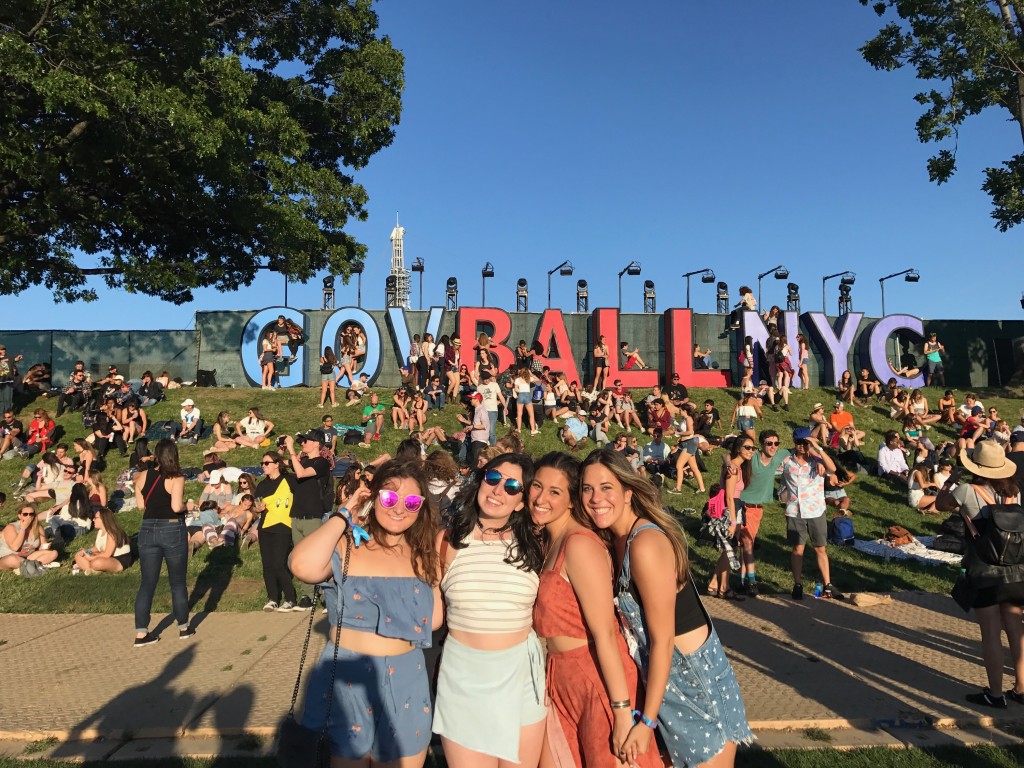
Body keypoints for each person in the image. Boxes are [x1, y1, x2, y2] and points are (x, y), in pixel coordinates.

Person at [580, 449, 753, 767]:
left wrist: (646, 724)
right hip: (666, 692)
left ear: (628, 492)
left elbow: (663, 640)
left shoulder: (645, 544)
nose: (595, 498)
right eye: (587, 489)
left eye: (606, 487)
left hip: (698, 692)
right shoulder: (615, 540)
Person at [288, 460, 440, 766]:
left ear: (421, 506)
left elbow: (434, 619)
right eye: (388, 498)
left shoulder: (424, 554)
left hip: (407, 680)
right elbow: (301, 565)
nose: (399, 508)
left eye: (411, 502)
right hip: (347, 678)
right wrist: (345, 512)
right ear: (372, 497)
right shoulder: (348, 543)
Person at [528, 451, 660, 767]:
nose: (540, 498)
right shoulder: (550, 541)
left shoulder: (579, 545)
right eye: (536, 486)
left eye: (555, 492)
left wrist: (621, 712)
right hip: (561, 679)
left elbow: (605, 634)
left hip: (596, 680)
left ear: (572, 500)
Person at [434, 454, 546, 768]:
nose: (499, 490)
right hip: (463, 679)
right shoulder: (446, 542)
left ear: (522, 502)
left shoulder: (537, 545)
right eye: (493, 479)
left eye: (512, 486)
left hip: (522, 675)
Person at [935, 440, 1023, 709]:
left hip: (984, 571)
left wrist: (950, 481)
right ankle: (1021, 688)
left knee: (991, 634)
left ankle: (994, 695)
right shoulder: (1014, 493)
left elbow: (940, 505)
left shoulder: (966, 491)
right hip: (1017, 572)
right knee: (1017, 631)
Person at [132, 438, 193, 646]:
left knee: (147, 582)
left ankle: (141, 633)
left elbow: (141, 506)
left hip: (148, 528)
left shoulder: (142, 476)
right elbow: (176, 506)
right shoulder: (177, 477)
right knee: (177, 581)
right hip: (172, 527)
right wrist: (189, 505)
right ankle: (183, 627)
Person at [780, 428, 838, 600]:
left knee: (821, 548)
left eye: (805, 443)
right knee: (798, 549)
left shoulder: (818, 461)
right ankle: (797, 584)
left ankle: (827, 584)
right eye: (799, 443)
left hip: (815, 509)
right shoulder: (787, 461)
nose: (802, 447)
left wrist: (817, 449)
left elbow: (833, 469)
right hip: (795, 510)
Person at [284, 431, 331, 609]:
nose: (302, 443)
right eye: (301, 441)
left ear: (317, 444)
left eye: (306, 440)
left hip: (313, 516)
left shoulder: (321, 463)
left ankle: (326, 595)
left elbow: (302, 474)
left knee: (317, 557)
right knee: (301, 558)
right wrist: (283, 450)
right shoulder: (301, 461)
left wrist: (290, 449)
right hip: (297, 516)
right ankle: (307, 595)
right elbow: (285, 468)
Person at [253, 451, 298, 612]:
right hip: (265, 527)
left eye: (267, 463)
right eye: (262, 463)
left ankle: (291, 598)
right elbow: (256, 504)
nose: (263, 466)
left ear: (276, 464)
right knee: (268, 565)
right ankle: (272, 598)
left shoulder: (289, 480)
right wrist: (258, 508)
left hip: (283, 526)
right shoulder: (262, 485)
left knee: (279, 564)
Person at [0, 502, 58, 571]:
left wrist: (46, 546)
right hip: (6, 557)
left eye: (31, 514)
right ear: (19, 516)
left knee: (53, 553)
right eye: (25, 514)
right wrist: (23, 529)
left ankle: (27, 567)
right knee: (13, 559)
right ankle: (39, 565)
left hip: (27, 557)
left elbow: (43, 546)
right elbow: (15, 548)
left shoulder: (37, 527)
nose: (29, 516)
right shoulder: (11, 527)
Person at [74, 507, 132, 574]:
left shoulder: (112, 534)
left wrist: (91, 558)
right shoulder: (100, 531)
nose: (93, 520)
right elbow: (97, 548)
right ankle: (91, 569)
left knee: (96, 563)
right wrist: (87, 551)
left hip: (119, 559)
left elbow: (107, 554)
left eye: (96, 518)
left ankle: (92, 568)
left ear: (103, 519)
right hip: (105, 556)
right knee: (78, 555)